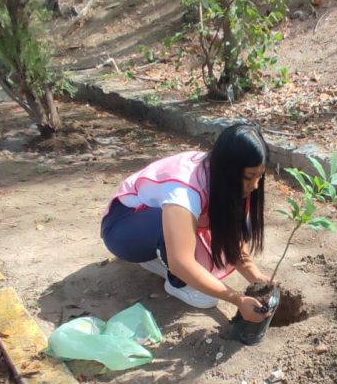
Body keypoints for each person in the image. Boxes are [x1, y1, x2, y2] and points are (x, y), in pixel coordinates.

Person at [100, 124, 274, 322]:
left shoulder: (223, 177)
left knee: (237, 233)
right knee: (202, 290)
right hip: (124, 228)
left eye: (260, 176)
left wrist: (257, 279)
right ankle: (176, 281)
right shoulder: (184, 191)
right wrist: (237, 299)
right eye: (249, 177)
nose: (255, 185)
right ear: (229, 170)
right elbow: (182, 262)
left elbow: (232, 238)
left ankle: (160, 257)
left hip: (159, 222)